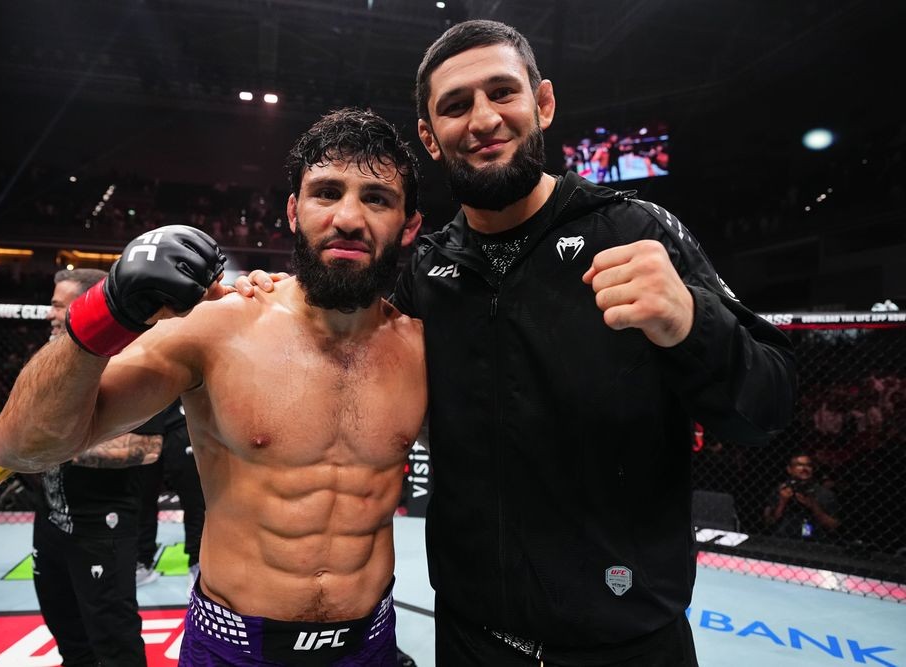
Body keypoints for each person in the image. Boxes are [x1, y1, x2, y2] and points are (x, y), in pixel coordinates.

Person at [240, 19, 797, 666]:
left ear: (544, 103)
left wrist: (691, 322)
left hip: (626, 643)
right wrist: (269, 297)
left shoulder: (634, 230)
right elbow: (335, 329)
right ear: (430, 135)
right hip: (474, 639)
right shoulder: (426, 270)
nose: (482, 119)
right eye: (455, 105)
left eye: (502, 93)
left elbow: (770, 404)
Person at [0, 108, 427, 666]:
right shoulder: (219, 326)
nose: (348, 217)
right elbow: (19, 448)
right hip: (233, 648)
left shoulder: (421, 348)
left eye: (377, 198)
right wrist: (108, 309)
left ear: (409, 225)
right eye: (326, 192)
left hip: (369, 645)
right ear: (294, 212)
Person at [31, 268, 166, 666]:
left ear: (88, 307)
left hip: (100, 528)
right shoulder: (51, 357)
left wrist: (51, 446)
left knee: (114, 641)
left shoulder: (131, 360)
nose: (51, 314)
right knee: (67, 635)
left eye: (59, 305)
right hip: (52, 520)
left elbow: (147, 448)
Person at [135, 397, 206, 591]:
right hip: (143, 421)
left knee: (194, 499)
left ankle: (197, 564)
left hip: (181, 419)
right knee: (143, 497)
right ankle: (142, 561)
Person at [764, 452, 840, 540]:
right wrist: (782, 502)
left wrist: (813, 506)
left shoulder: (824, 493)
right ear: (789, 469)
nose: (804, 469)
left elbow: (833, 526)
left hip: (815, 542)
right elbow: (768, 522)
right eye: (799, 465)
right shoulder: (781, 490)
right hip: (782, 539)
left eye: (808, 465)